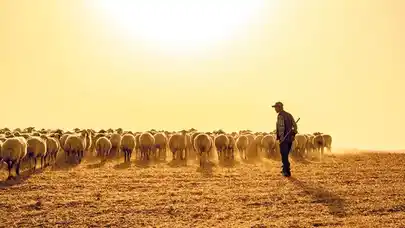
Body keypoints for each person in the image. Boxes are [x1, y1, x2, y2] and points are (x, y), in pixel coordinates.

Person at [271, 101, 297, 177]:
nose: (275, 109)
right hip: (290, 139)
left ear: (279, 107)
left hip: (284, 139)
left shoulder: (280, 116)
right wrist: (293, 134)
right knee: (285, 155)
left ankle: (286, 171)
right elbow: (295, 126)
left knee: (284, 155)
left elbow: (281, 128)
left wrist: (281, 138)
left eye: (276, 107)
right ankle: (284, 169)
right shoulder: (289, 115)